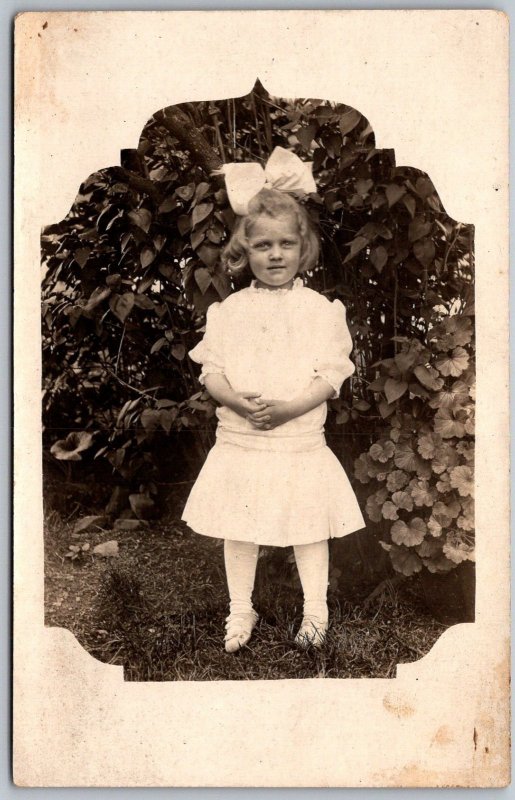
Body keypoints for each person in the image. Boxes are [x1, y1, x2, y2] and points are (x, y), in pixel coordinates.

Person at [181, 147, 365, 653]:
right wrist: (238, 402)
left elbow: (330, 376)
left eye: (286, 244)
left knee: (309, 526)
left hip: (296, 438)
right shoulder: (228, 311)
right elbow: (212, 372)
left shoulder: (320, 311)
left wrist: (287, 409)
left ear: (303, 248)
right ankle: (241, 607)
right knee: (238, 525)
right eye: (263, 246)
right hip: (242, 438)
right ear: (245, 250)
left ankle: (315, 610)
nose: (276, 255)